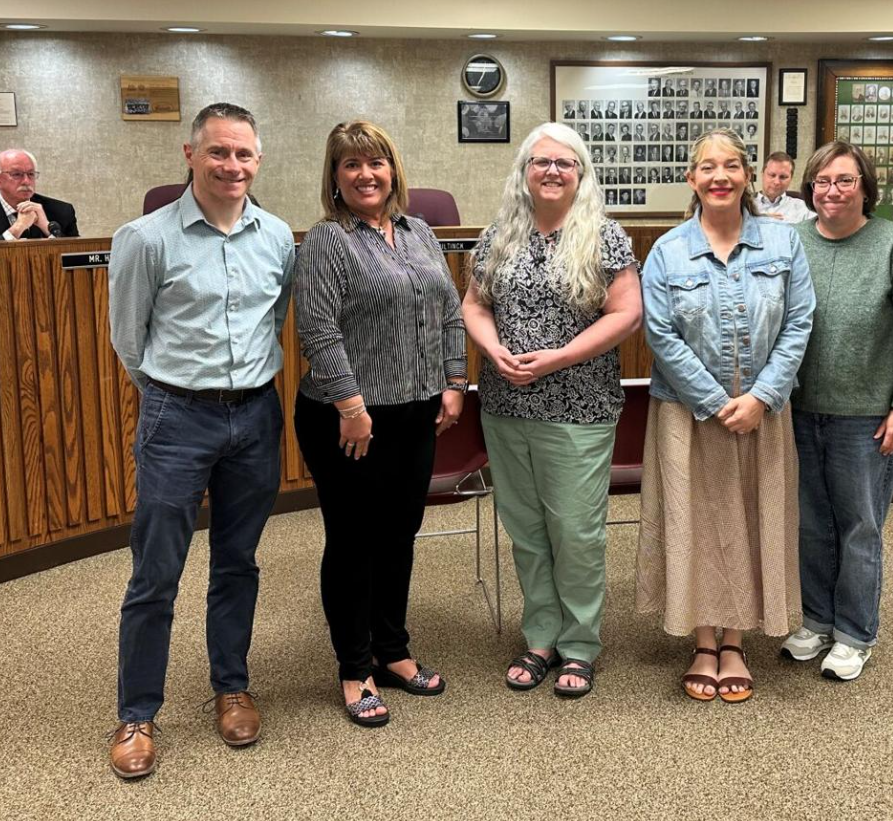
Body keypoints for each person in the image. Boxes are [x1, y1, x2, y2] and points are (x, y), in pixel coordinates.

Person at [106, 103, 296, 778]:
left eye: (244, 155)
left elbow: (274, 319)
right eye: (219, 152)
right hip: (176, 416)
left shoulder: (277, 236)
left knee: (238, 561)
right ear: (190, 154)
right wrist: (172, 391)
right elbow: (129, 338)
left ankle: (231, 684)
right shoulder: (147, 237)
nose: (232, 166)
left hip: (254, 417)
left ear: (259, 159)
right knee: (156, 571)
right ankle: (137, 712)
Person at [293, 119, 465, 728]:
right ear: (335, 178)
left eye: (376, 162)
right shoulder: (326, 241)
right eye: (351, 165)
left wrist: (453, 381)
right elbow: (317, 329)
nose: (366, 174)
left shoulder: (419, 233)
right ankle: (354, 666)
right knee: (354, 540)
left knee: (399, 533)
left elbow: (448, 311)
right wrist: (350, 405)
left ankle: (393, 649)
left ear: (393, 170)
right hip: (346, 420)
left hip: (415, 412)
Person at [463, 122, 641, 699]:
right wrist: (492, 349)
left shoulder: (604, 236)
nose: (552, 171)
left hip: (578, 405)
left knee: (576, 530)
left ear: (581, 174)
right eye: (541, 162)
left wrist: (558, 358)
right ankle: (540, 635)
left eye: (565, 163)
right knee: (527, 528)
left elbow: (625, 315)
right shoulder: (498, 236)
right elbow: (474, 305)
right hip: (506, 404)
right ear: (524, 171)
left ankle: (581, 643)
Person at [637, 128, 814, 703]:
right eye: (707, 167)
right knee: (694, 520)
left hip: (763, 408)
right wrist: (714, 402)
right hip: (688, 412)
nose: (720, 176)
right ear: (692, 180)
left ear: (747, 176)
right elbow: (659, 335)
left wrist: (761, 396)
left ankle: (735, 639)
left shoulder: (784, 245)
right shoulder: (667, 250)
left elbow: (799, 323)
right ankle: (703, 639)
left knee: (752, 516)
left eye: (732, 166)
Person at [781, 140, 893, 681]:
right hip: (799, 411)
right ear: (810, 189)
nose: (833, 191)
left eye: (845, 180)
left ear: (866, 188)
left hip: (866, 417)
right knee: (812, 524)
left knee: (859, 527)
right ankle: (816, 620)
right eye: (823, 181)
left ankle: (854, 633)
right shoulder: (791, 241)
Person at [0, 149, 80, 241]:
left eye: (31, 174)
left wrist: (47, 228)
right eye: (16, 174)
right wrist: (17, 229)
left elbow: (77, 258)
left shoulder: (62, 211)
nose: (26, 181)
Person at [755, 151, 814, 223]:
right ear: (762, 174)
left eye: (783, 177)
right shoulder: (744, 206)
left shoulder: (803, 209)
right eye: (772, 175)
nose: (776, 182)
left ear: (791, 179)